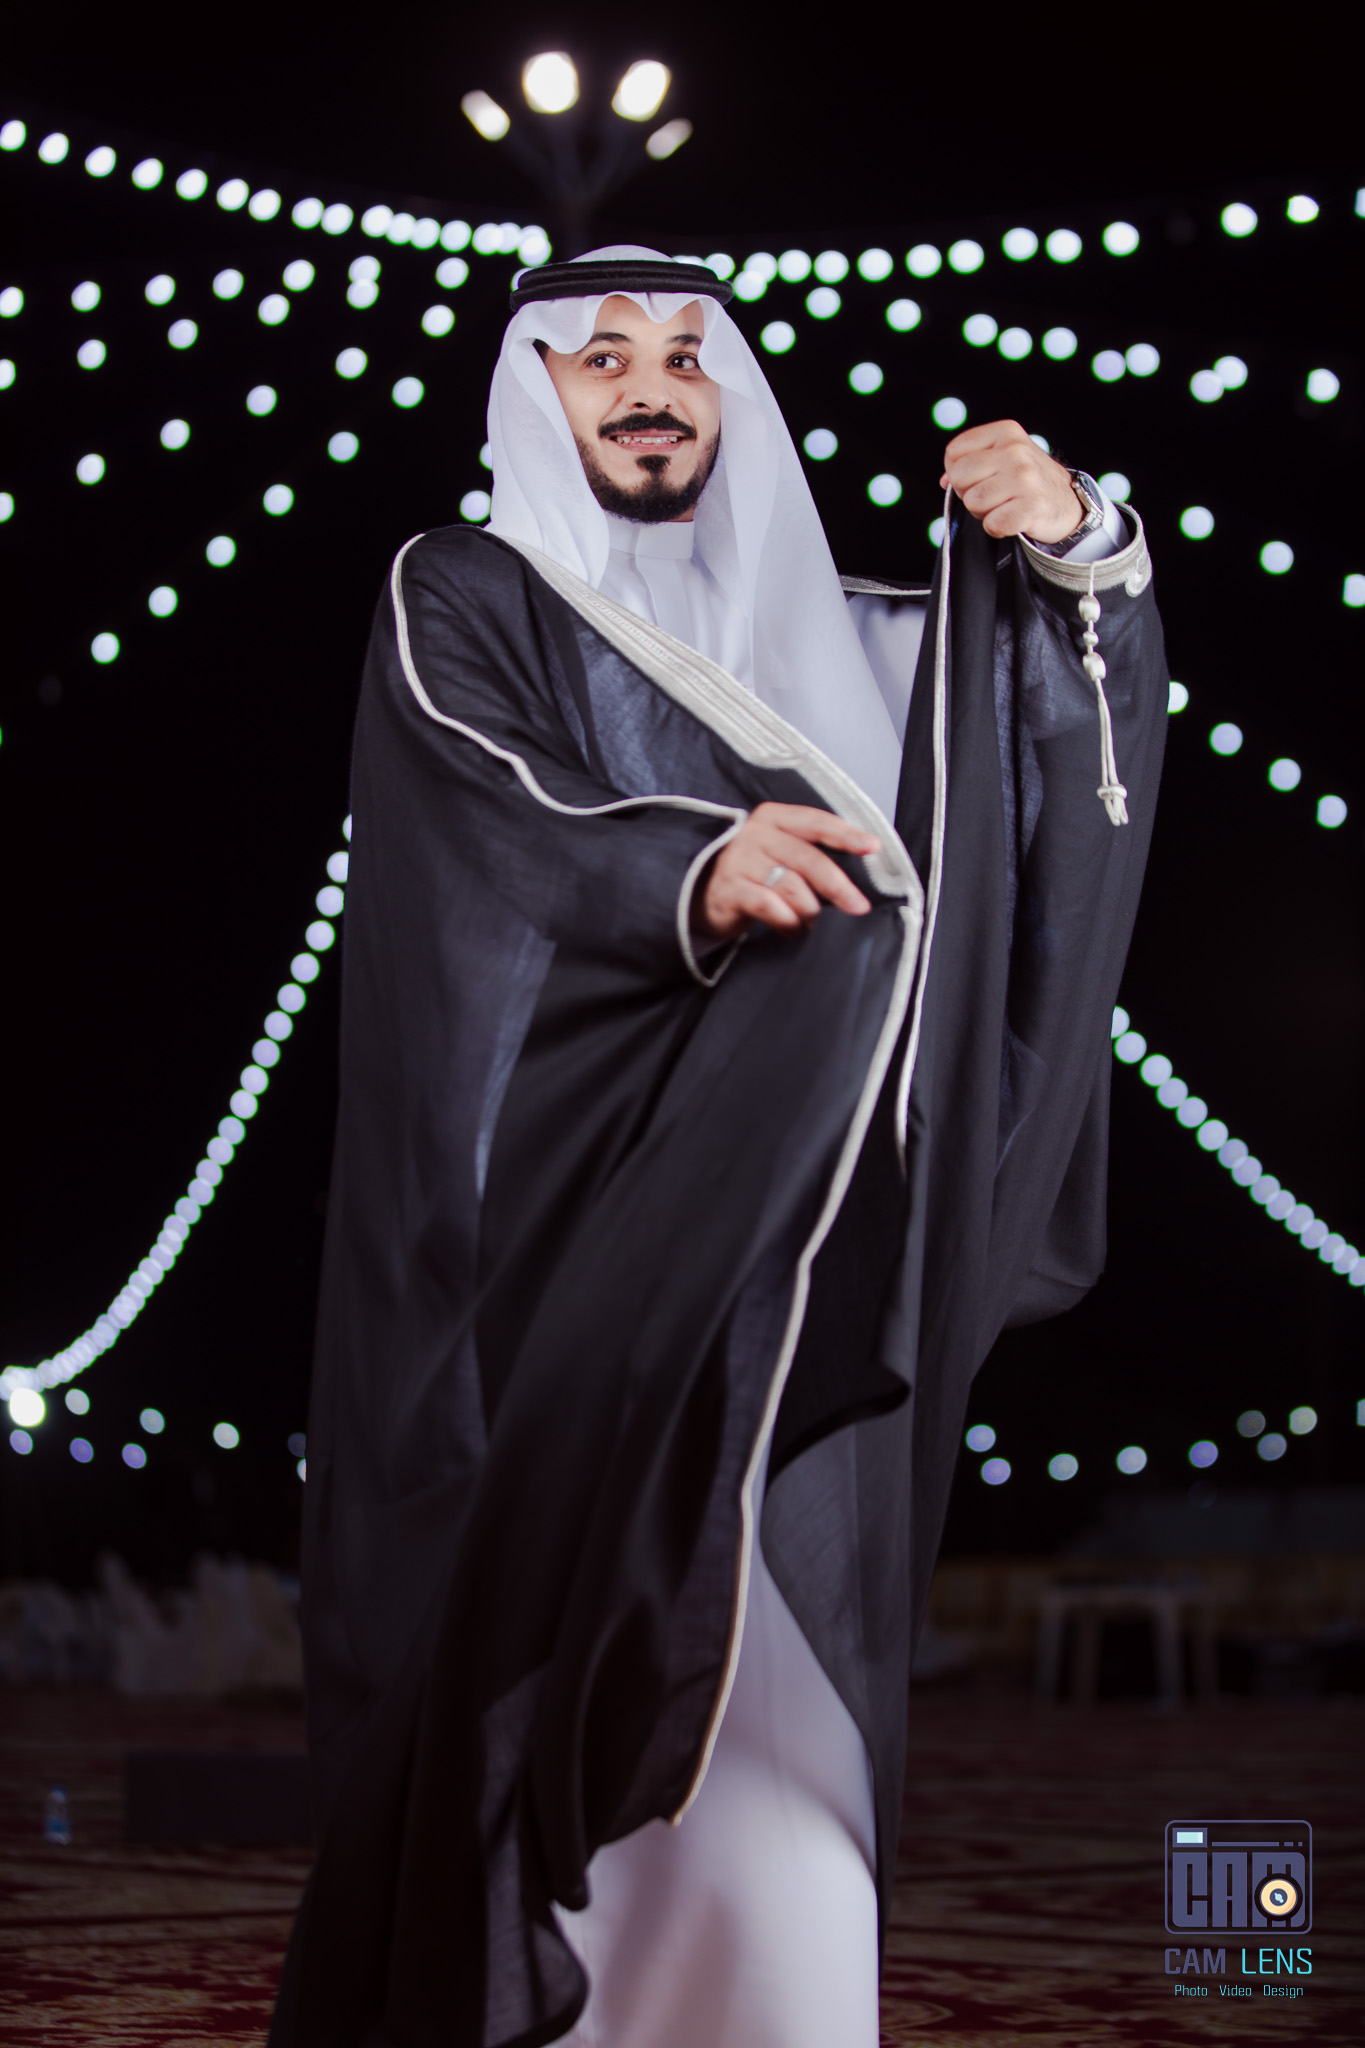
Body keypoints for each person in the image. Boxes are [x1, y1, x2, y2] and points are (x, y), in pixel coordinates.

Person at [269, 247, 1166, 2048]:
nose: (649, 389)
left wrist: (1077, 546)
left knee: (793, 1831)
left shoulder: (857, 641)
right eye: (601, 358)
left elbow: (1035, 766)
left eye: (685, 357)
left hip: (805, 1310)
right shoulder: (471, 593)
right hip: (582, 1293)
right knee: (553, 1728)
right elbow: (484, 805)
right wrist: (685, 872)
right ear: (534, 390)